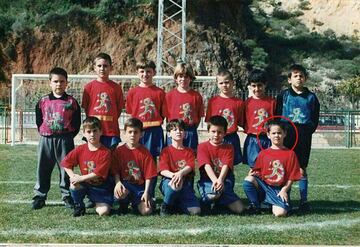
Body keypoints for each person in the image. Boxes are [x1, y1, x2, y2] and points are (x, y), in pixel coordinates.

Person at [32, 67, 81, 210]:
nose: (58, 84)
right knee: (43, 167)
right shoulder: (43, 101)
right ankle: (40, 195)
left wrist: (67, 135)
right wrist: (46, 131)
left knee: (66, 168)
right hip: (46, 139)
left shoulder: (72, 102)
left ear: (67, 83)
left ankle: (67, 195)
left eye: (62, 81)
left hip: (65, 139)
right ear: (50, 83)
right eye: (55, 81)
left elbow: (76, 123)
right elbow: (39, 120)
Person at [275, 64, 320, 212]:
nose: (298, 78)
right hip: (287, 133)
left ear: (305, 79)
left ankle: (303, 200)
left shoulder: (311, 97)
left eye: (301, 76)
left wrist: (306, 132)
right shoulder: (284, 95)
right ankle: (285, 197)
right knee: (286, 166)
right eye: (295, 75)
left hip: (303, 135)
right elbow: (277, 115)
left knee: (301, 168)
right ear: (289, 79)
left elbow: (314, 118)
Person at [243, 120, 302, 217]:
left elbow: (292, 177)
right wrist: (252, 174)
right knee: (248, 180)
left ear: (284, 134)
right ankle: (256, 205)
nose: (276, 136)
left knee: (280, 214)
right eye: (273, 133)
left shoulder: (290, 154)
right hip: (265, 186)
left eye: (279, 133)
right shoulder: (263, 153)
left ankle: (277, 204)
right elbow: (257, 171)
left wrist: (284, 190)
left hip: (279, 189)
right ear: (268, 135)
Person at [61, 116, 113, 217]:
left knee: (103, 212)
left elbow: (98, 173)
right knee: (73, 183)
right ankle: (79, 205)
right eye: (89, 131)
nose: (92, 134)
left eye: (95, 131)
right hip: (86, 184)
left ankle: (97, 201)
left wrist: (80, 178)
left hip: (101, 187)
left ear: (101, 132)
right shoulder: (80, 149)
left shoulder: (105, 152)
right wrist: (73, 176)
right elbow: (65, 163)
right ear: (84, 133)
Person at [197, 115, 244, 215]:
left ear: (225, 133)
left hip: (225, 180)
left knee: (239, 209)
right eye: (213, 131)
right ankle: (205, 201)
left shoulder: (229, 147)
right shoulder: (202, 146)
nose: (216, 135)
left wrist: (220, 180)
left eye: (220, 132)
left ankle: (219, 203)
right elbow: (206, 165)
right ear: (208, 131)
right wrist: (215, 180)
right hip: (208, 180)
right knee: (214, 194)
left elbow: (226, 165)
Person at [112, 118, 158, 216]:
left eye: (136, 132)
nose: (132, 135)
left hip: (139, 188)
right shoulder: (119, 151)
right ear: (125, 133)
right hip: (125, 185)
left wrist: (146, 192)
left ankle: (138, 204)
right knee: (120, 192)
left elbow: (149, 176)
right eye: (130, 132)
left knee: (146, 211)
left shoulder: (145, 153)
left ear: (141, 134)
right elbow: (115, 171)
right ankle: (123, 205)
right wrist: (118, 183)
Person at [82, 52, 124, 149]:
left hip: (110, 131)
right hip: (93, 131)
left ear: (110, 68)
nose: (102, 68)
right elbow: (86, 108)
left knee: (111, 160)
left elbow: (119, 109)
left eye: (105, 66)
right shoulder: (88, 87)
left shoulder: (116, 88)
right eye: (99, 66)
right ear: (94, 68)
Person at [158, 119, 201, 216]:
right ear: (169, 134)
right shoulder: (165, 151)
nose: (178, 132)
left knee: (196, 211)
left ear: (185, 134)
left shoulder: (189, 151)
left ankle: (177, 203)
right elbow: (163, 171)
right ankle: (166, 205)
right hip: (169, 181)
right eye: (174, 130)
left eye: (181, 130)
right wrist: (174, 176)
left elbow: (190, 166)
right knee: (176, 184)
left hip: (185, 183)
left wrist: (180, 174)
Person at [126, 59, 166, 158]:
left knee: (152, 159)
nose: (145, 74)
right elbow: (130, 113)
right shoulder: (132, 92)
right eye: (142, 71)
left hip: (154, 131)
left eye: (148, 71)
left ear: (154, 72)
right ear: (137, 73)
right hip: (137, 131)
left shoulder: (160, 92)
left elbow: (163, 113)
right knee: (136, 156)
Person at [205, 69, 244, 165]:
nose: (224, 85)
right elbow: (209, 122)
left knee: (230, 165)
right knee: (215, 163)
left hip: (231, 137)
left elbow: (241, 121)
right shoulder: (213, 101)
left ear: (232, 82)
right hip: (216, 137)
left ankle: (228, 180)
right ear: (217, 84)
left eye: (227, 82)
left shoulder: (239, 102)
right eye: (221, 83)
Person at [165, 63, 204, 152]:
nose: (183, 79)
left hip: (190, 131)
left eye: (186, 77)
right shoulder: (169, 95)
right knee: (173, 157)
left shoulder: (196, 96)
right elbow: (167, 117)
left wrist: (190, 129)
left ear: (190, 78)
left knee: (190, 157)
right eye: (180, 76)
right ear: (176, 78)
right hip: (174, 131)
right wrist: (172, 130)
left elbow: (198, 117)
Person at [243, 69, 276, 168]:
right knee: (254, 168)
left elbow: (276, 121)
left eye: (260, 85)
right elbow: (242, 121)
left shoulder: (272, 102)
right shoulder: (246, 103)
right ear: (250, 86)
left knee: (268, 166)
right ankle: (252, 183)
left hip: (268, 139)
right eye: (254, 86)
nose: (257, 89)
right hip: (253, 139)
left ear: (265, 85)